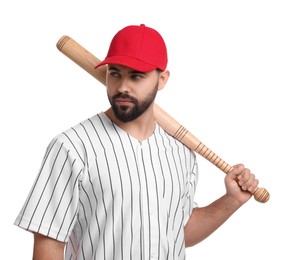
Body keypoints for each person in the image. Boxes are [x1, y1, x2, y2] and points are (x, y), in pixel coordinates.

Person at [14, 24, 258, 260]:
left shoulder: (182, 152)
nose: (122, 87)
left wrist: (232, 200)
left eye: (136, 76)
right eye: (115, 73)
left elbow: (179, 232)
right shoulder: (73, 146)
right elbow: (49, 244)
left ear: (162, 79)